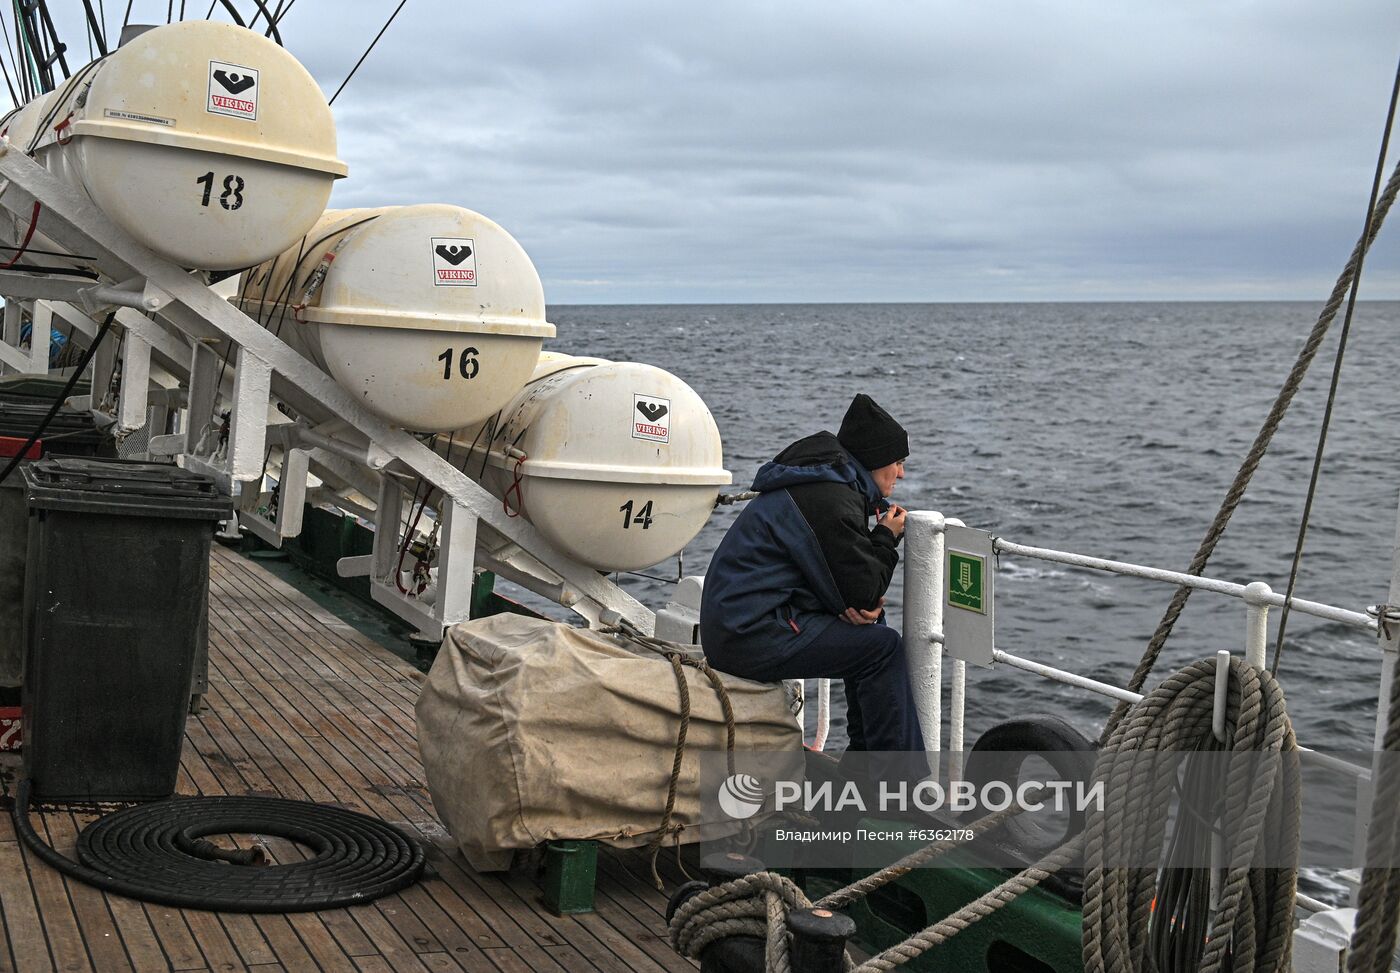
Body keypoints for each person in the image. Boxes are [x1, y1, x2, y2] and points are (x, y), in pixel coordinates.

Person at [700, 393, 925, 760]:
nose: (901, 473)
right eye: (897, 462)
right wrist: (885, 536)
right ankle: (898, 784)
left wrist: (852, 602)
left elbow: (843, 578)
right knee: (882, 649)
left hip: (740, 622)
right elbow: (864, 592)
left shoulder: (822, 484)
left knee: (872, 628)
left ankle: (863, 766)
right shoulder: (830, 498)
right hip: (746, 635)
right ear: (874, 459)